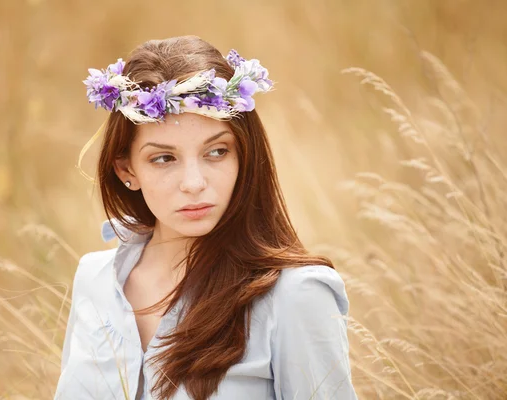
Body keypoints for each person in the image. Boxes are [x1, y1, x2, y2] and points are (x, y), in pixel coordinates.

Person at [54, 35, 358, 400]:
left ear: (243, 156)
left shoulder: (295, 296)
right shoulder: (96, 280)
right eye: (164, 158)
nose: (195, 184)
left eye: (216, 151)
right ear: (126, 170)